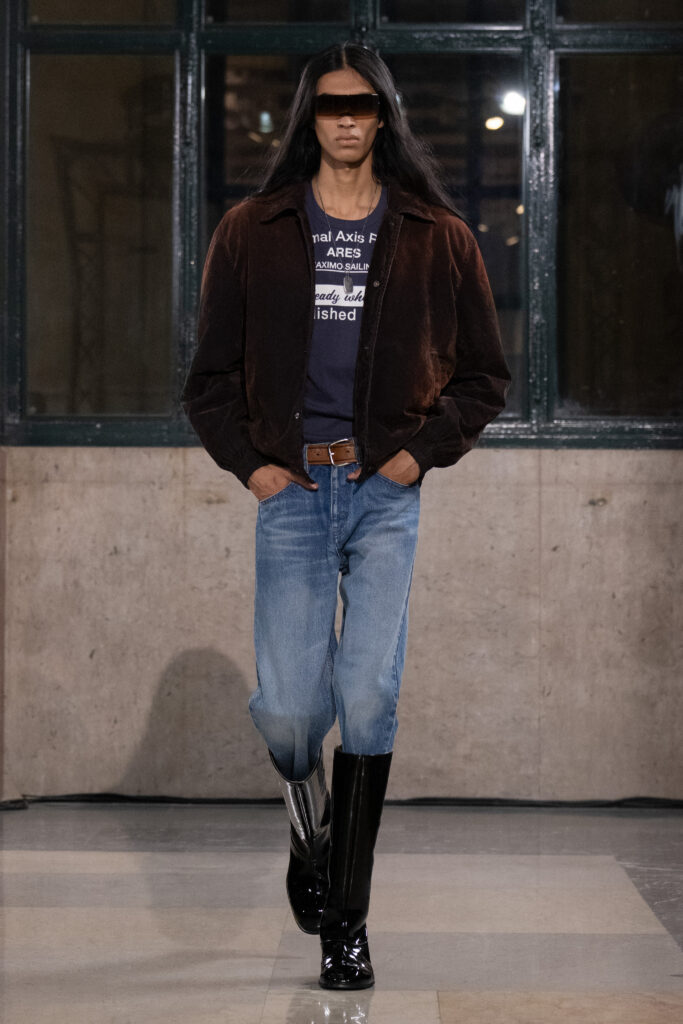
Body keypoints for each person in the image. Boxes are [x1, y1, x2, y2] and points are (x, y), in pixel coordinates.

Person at [181, 42, 511, 990]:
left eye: (362, 105)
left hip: (381, 494)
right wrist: (255, 470)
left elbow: (484, 376)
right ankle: (308, 825)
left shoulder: (437, 234)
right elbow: (208, 379)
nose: (346, 120)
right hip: (291, 492)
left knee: (367, 697)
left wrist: (414, 457)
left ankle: (346, 924)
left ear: (383, 116)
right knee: (291, 710)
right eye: (330, 105)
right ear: (310, 117)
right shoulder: (252, 230)